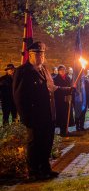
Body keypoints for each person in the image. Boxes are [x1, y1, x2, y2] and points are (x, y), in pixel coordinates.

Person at [13, 41, 73, 180]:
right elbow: (19, 97)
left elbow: (52, 88)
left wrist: (68, 90)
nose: (40, 57)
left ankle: (46, 168)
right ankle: (34, 172)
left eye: (42, 54)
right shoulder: (23, 71)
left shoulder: (44, 70)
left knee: (47, 142)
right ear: (30, 55)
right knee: (34, 144)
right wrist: (26, 117)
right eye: (37, 54)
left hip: (49, 114)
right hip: (34, 116)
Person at [53, 65, 75, 136]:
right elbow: (56, 89)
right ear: (59, 71)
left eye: (64, 70)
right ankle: (62, 131)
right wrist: (67, 89)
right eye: (61, 70)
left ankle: (66, 129)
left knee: (67, 114)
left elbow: (71, 87)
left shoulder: (68, 78)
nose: (63, 71)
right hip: (60, 100)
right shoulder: (55, 79)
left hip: (67, 99)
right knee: (62, 115)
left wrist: (72, 89)